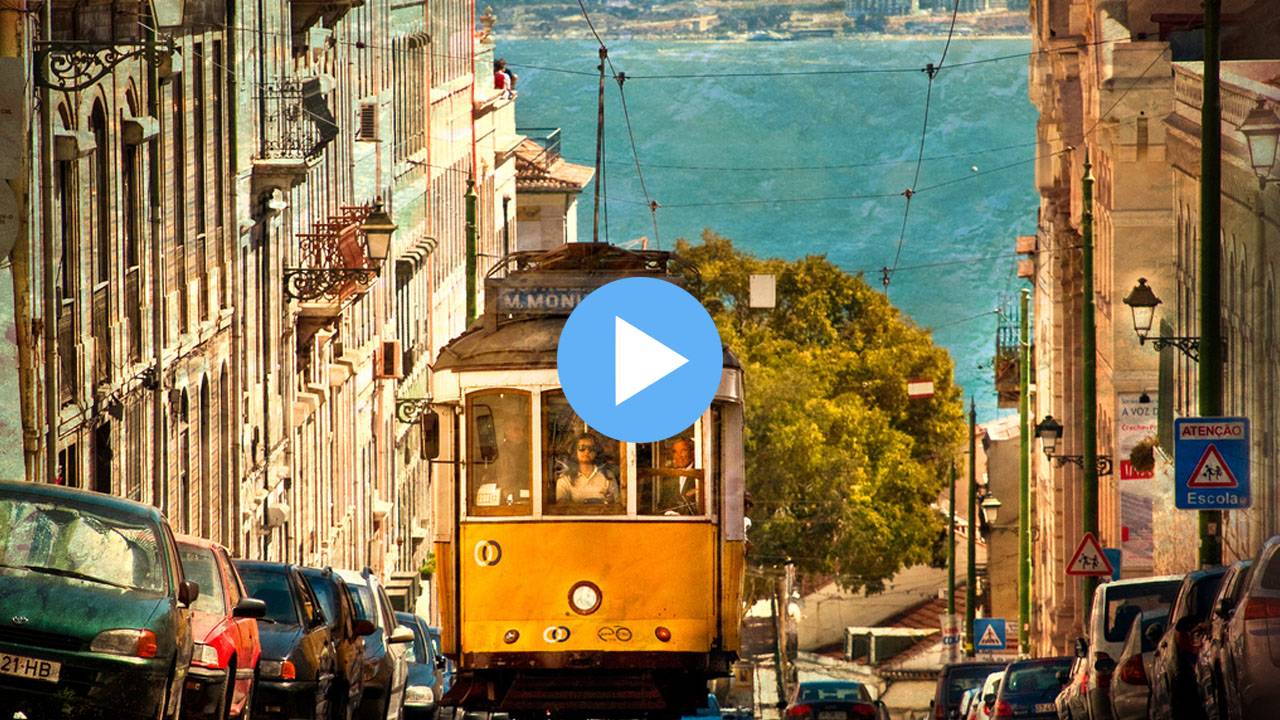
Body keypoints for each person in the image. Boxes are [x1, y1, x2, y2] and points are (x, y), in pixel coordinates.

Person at [555, 433, 618, 504]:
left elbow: (616, 503)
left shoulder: (608, 476)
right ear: (575, 451)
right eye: (582, 448)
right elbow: (562, 505)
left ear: (596, 452)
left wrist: (610, 500)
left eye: (591, 448)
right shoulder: (565, 479)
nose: (587, 451)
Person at [654, 437, 700, 515]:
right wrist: (667, 513)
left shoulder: (698, 475)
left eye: (683, 451)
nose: (678, 456)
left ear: (692, 453)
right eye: (675, 452)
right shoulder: (669, 478)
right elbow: (662, 505)